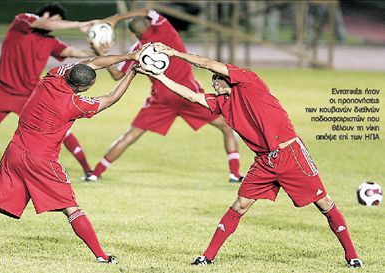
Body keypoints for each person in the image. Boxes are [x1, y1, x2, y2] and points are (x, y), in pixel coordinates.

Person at [135, 42, 363, 268]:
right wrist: (160, 76)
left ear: (227, 77)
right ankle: (207, 257)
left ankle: (352, 256)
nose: (213, 82)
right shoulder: (222, 103)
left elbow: (206, 63)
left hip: (290, 154)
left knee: (324, 203)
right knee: (240, 205)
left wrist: (175, 53)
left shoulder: (248, 80)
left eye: (216, 78)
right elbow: (193, 97)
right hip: (264, 161)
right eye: (213, 80)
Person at [0, 48, 145, 263]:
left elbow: (94, 61)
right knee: (71, 208)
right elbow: (111, 98)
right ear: (83, 87)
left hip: (14, 152)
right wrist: (132, 72)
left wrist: (128, 56)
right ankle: (102, 257)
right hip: (41, 160)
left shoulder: (52, 77)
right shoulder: (75, 104)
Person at [85, 9, 243, 183]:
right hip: (187, 93)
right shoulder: (164, 29)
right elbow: (147, 10)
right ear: (148, 24)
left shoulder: (136, 49)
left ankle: (95, 174)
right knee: (226, 127)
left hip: (161, 98)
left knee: (130, 136)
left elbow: (117, 75)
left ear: (133, 33)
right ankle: (234, 174)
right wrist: (114, 19)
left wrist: (102, 53)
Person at [0, 3, 99, 176]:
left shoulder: (50, 42)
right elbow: (47, 24)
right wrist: (80, 25)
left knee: (60, 128)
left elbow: (74, 52)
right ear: (47, 14)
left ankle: (88, 170)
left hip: (31, 94)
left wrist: (97, 48)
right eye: (57, 21)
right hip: (3, 88)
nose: (56, 26)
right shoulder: (22, 23)